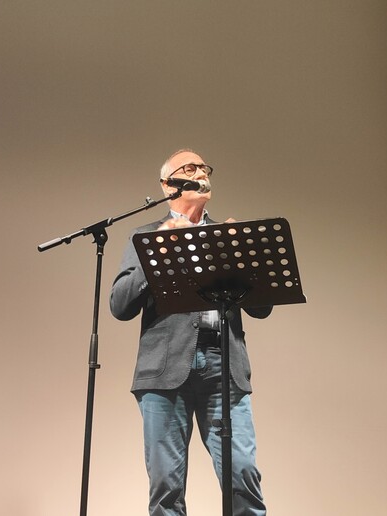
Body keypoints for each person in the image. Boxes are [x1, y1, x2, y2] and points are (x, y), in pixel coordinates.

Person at [110, 149, 272, 515]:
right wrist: (159, 248)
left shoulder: (225, 236)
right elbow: (120, 305)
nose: (201, 172)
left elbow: (261, 309)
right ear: (168, 185)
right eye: (190, 167)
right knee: (166, 488)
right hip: (165, 370)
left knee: (243, 474)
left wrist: (243, 259)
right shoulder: (145, 236)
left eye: (204, 167)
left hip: (223, 366)